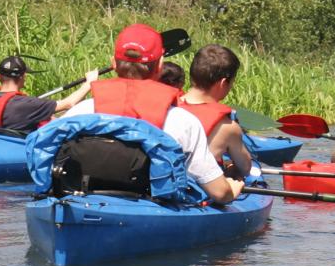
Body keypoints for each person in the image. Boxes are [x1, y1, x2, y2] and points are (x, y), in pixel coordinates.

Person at [64, 23, 245, 204]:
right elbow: (220, 193)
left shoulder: (81, 112)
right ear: (159, 65)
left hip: (83, 201)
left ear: (113, 63)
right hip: (152, 207)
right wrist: (231, 189)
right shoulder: (183, 122)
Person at [0, 55, 98, 134]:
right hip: (15, 151)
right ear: (23, 77)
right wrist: (89, 82)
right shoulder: (28, 104)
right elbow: (69, 103)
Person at [178, 44, 253, 179]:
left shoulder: (168, 106)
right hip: (201, 189)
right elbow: (245, 168)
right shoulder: (227, 127)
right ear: (223, 83)